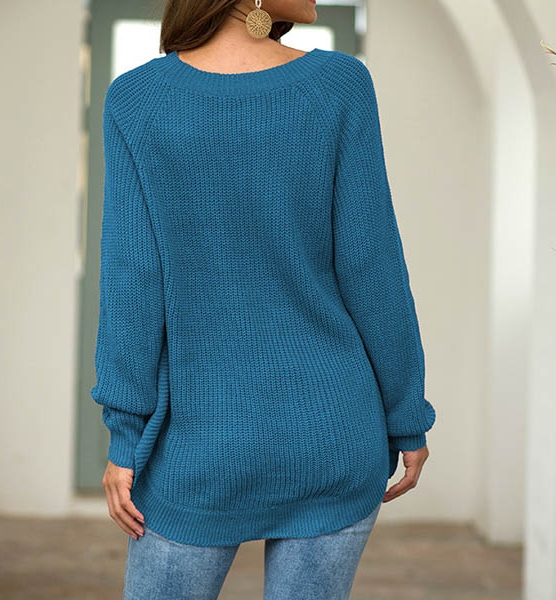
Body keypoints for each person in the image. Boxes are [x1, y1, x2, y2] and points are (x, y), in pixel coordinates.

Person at [90, 0, 437, 598]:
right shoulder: (338, 85)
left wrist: (125, 434)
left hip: (197, 448)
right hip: (332, 432)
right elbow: (372, 267)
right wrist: (405, 416)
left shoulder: (137, 100)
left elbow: (132, 283)